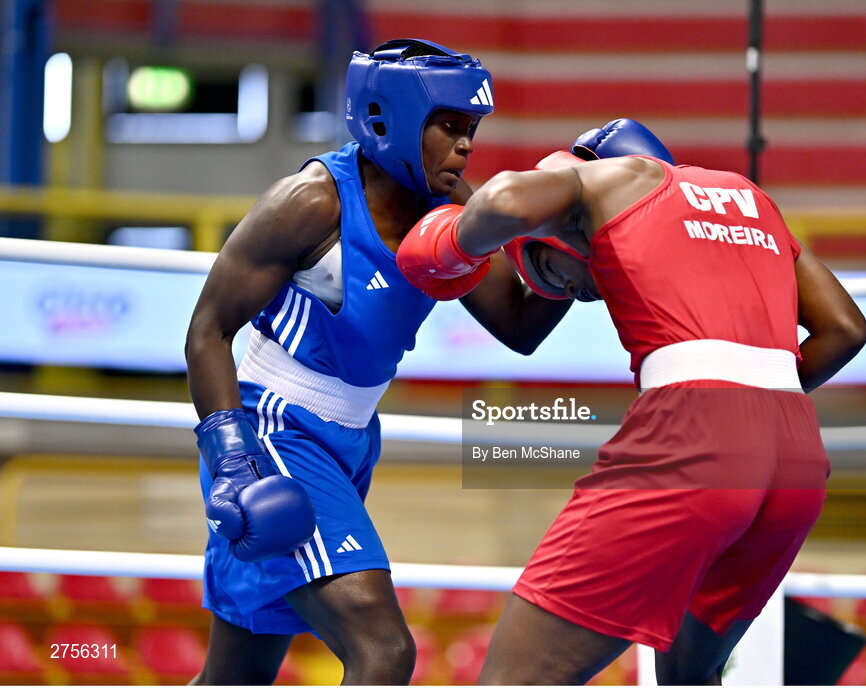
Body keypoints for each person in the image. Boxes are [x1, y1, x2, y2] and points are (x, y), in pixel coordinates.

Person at [397, 120, 866, 685]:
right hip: (795, 459)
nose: (575, 292)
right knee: (689, 680)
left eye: (554, 270)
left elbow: (502, 197)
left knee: (514, 678)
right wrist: (751, 405)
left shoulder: (618, 179)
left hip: (692, 438)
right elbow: (845, 329)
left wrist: (448, 247)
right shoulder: (746, 196)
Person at [183, 38, 575, 685]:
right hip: (275, 432)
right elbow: (207, 331)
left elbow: (517, 325)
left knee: (237, 676)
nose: (466, 146)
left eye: (471, 130)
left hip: (350, 440)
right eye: (449, 127)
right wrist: (233, 458)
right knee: (382, 650)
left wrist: (574, 251)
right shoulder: (311, 203)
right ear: (386, 118)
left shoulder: (449, 212)